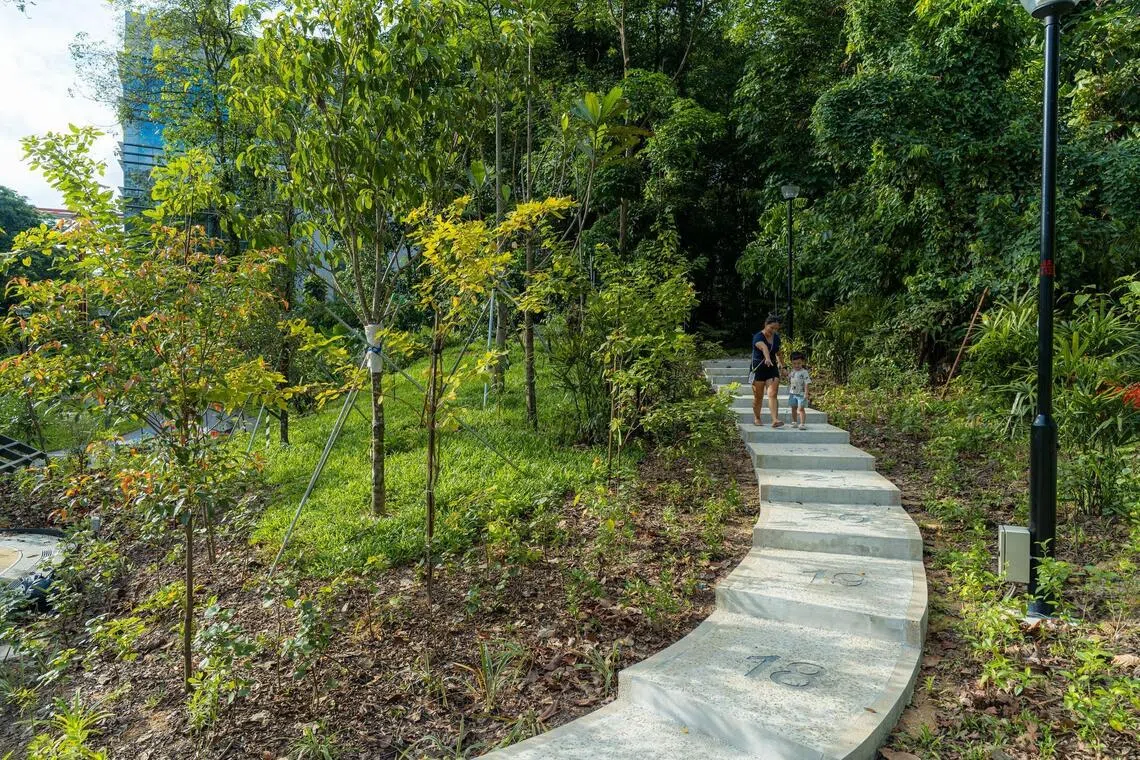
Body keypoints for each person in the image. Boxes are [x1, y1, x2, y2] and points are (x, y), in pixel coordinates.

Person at [750, 315, 784, 428]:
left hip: (771, 368)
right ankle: (757, 418)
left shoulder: (776, 338)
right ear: (766, 324)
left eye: (776, 329)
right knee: (758, 396)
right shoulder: (758, 337)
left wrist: (782, 366)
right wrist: (767, 358)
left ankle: (775, 420)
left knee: (773, 393)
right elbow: (764, 347)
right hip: (758, 368)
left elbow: (779, 353)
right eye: (772, 328)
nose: (774, 331)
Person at [788, 352, 812, 430]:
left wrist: (806, 393)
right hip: (793, 393)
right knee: (793, 408)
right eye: (794, 363)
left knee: (801, 409)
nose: (797, 365)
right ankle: (795, 422)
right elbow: (790, 379)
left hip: (801, 394)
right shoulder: (792, 371)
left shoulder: (804, 372)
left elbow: (807, 383)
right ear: (791, 363)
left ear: (802, 362)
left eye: (799, 363)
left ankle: (802, 424)